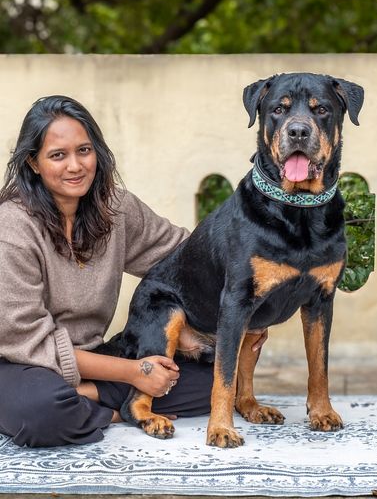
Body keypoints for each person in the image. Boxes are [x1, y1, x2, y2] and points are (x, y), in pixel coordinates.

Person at [0, 95, 266, 448]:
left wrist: (227, 307)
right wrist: (136, 373)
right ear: (33, 162)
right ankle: (112, 409)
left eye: (84, 150)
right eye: (58, 155)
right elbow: (30, 343)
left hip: (95, 356)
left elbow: (189, 256)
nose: (75, 166)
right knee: (42, 413)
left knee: (214, 383)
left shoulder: (115, 208)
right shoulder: (13, 229)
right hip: (19, 364)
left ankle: (87, 396)